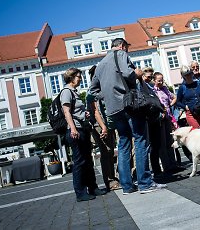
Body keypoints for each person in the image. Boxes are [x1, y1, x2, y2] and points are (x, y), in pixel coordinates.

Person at [88, 38, 166, 195]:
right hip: (129, 105)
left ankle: (127, 186)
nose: (127, 51)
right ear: (122, 46)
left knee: (123, 144)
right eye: (127, 48)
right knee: (141, 140)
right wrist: (137, 73)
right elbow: (128, 73)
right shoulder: (121, 55)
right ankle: (145, 183)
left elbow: (92, 90)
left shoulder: (101, 65)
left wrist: (109, 95)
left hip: (113, 109)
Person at [61, 67, 107, 202]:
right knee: (79, 162)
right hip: (76, 130)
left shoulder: (74, 92)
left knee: (87, 160)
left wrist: (84, 114)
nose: (80, 78)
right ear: (71, 77)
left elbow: (75, 111)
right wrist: (73, 128)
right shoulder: (66, 92)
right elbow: (67, 112)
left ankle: (92, 187)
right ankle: (80, 192)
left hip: (83, 128)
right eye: (78, 76)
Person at [87, 65, 120, 191]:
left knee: (110, 152)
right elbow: (95, 112)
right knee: (106, 153)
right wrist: (103, 127)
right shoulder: (92, 91)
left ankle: (113, 177)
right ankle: (109, 180)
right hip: (100, 126)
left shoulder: (101, 89)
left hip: (107, 124)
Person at [150, 72, 180, 176]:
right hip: (159, 119)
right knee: (162, 143)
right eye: (159, 80)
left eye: (162, 80)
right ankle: (167, 166)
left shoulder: (165, 89)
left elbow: (174, 97)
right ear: (154, 80)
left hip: (168, 117)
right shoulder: (153, 91)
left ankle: (173, 164)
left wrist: (169, 105)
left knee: (169, 141)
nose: (161, 82)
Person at [176, 65, 200, 133]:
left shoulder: (199, 84)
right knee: (198, 134)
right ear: (183, 77)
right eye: (186, 75)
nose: (188, 76)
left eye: (189, 74)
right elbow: (178, 102)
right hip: (191, 114)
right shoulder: (182, 88)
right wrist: (185, 107)